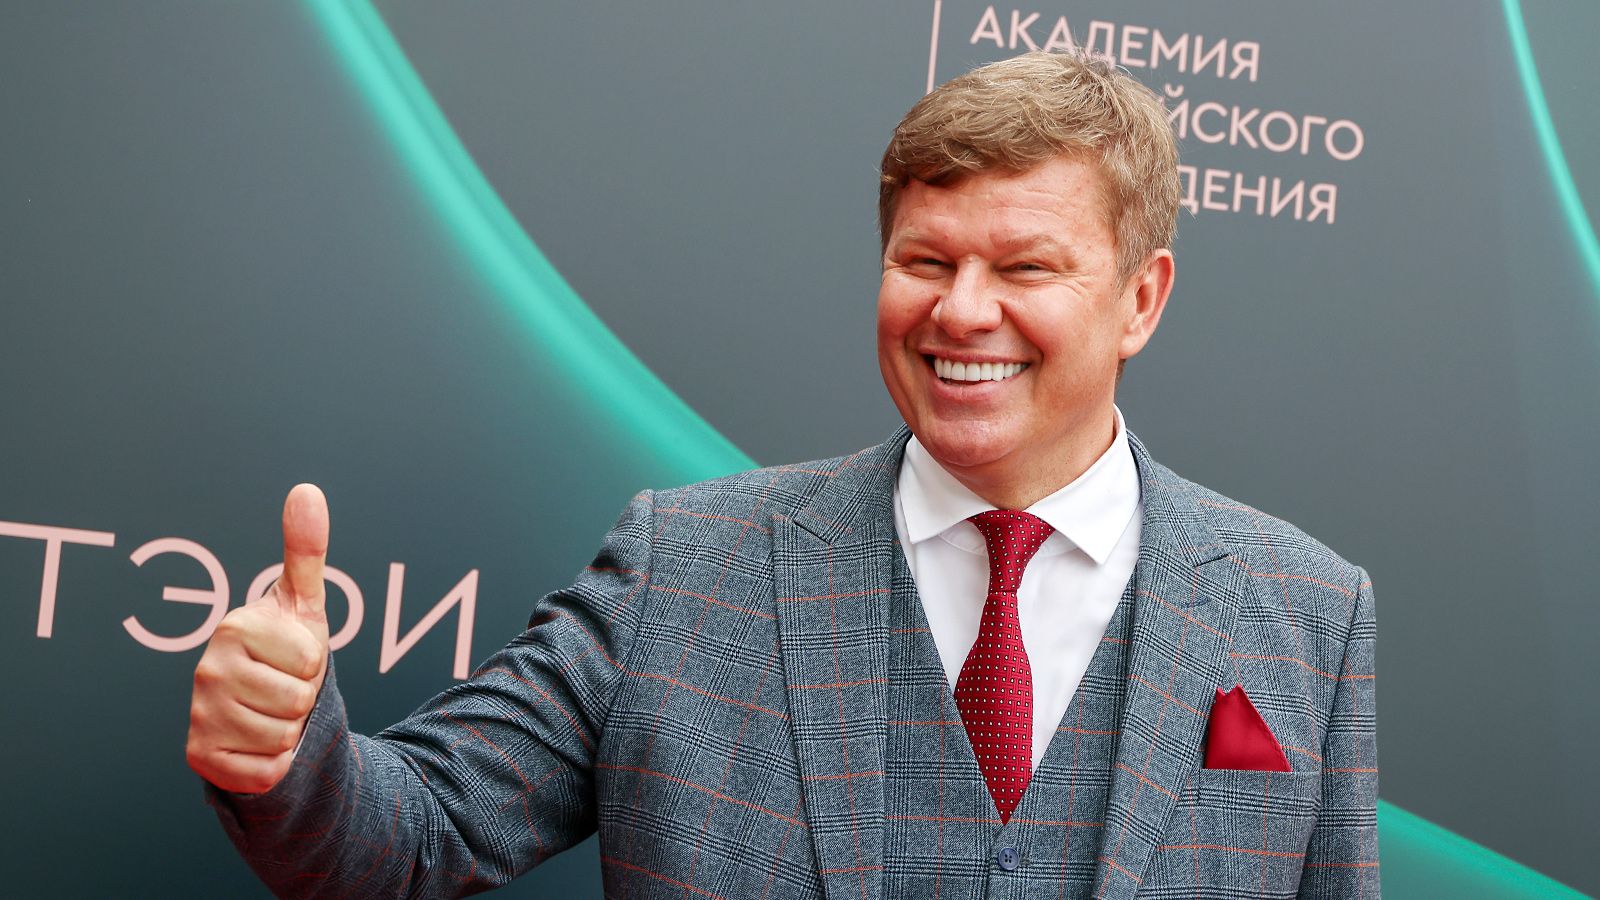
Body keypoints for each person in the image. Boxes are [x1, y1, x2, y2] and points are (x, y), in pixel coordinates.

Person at [187, 50, 1377, 898]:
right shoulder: (683, 569)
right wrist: (285, 754)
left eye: (1024, 267)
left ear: (1139, 300)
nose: (962, 312)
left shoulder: (1305, 617)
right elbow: (408, 837)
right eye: (925, 260)